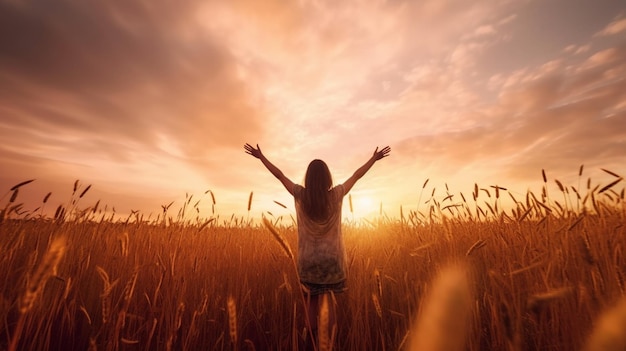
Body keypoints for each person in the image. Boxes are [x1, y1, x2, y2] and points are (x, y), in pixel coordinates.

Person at [244, 143, 391, 349]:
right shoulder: (336, 195)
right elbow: (357, 176)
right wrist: (373, 159)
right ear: (328, 178)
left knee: (310, 316)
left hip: (308, 263)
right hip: (333, 263)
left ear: (309, 178)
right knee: (330, 316)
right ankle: (328, 346)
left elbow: (280, 175)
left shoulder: (300, 195)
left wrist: (261, 157)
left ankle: (310, 345)